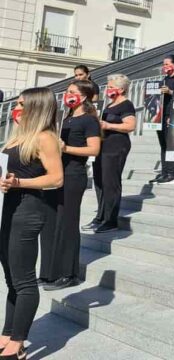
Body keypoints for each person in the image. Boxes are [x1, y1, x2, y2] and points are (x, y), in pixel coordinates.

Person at [0, 88, 64, 359]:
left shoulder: (45, 137)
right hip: (7, 209)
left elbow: (56, 178)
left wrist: (19, 182)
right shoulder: (18, 136)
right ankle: (7, 334)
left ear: (36, 107)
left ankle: (18, 342)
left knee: (24, 280)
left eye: (21, 104)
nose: (16, 107)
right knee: (11, 278)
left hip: (28, 210)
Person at [41, 81, 100, 291]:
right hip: (56, 173)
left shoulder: (89, 120)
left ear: (84, 96)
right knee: (51, 223)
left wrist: (66, 148)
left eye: (72, 92)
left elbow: (94, 150)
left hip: (74, 175)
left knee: (67, 223)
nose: (68, 95)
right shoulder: (66, 118)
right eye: (67, 91)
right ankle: (49, 273)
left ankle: (69, 274)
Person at [84, 75, 136, 234]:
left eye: (111, 86)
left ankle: (110, 220)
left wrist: (108, 125)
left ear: (121, 89)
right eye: (108, 86)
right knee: (100, 182)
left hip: (116, 146)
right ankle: (100, 217)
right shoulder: (109, 105)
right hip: (103, 146)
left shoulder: (126, 105)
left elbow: (130, 125)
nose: (108, 89)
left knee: (110, 182)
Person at [151, 55, 174, 185]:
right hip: (162, 115)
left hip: (172, 115)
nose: (164, 67)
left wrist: (171, 92)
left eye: (167, 64)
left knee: (170, 145)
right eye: (164, 64)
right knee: (163, 144)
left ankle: (172, 173)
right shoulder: (165, 79)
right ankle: (165, 172)